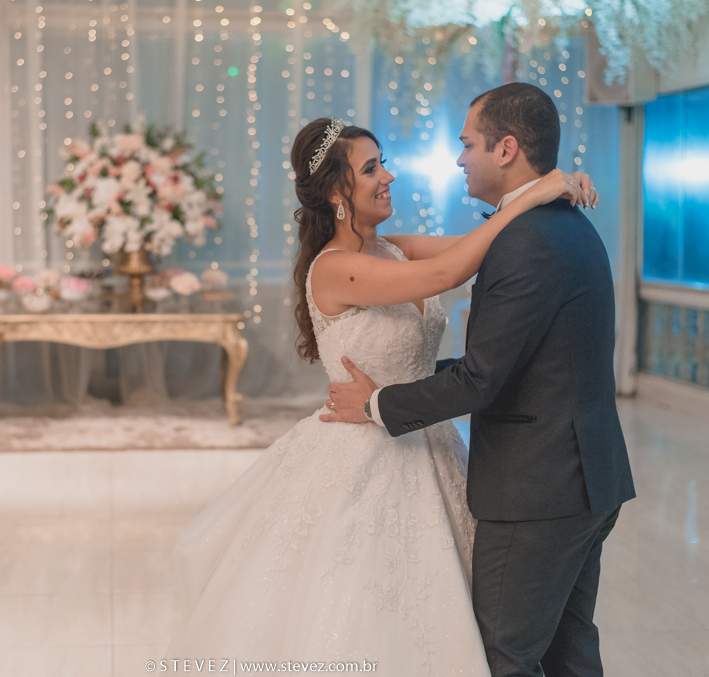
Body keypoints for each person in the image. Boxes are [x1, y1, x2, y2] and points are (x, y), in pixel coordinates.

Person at [164, 107, 595, 674]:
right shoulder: (335, 268)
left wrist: (550, 192)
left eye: (383, 164)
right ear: (337, 193)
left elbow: (487, 245)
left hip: (426, 440)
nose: (387, 177)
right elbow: (448, 273)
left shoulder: (393, 247)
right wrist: (532, 196)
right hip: (362, 449)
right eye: (371, 169)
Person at [322, 83, 636, 677]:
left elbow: (481, 378)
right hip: (585, 475)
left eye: (467, 144)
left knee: (506, 657)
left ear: (507, 148)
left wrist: (379, 403)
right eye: (373, 167)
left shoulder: (525, 240)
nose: (458, 158)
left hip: (540, 488)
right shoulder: (561, 224)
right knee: (568, 653)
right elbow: (514, 358)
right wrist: (549, 187)